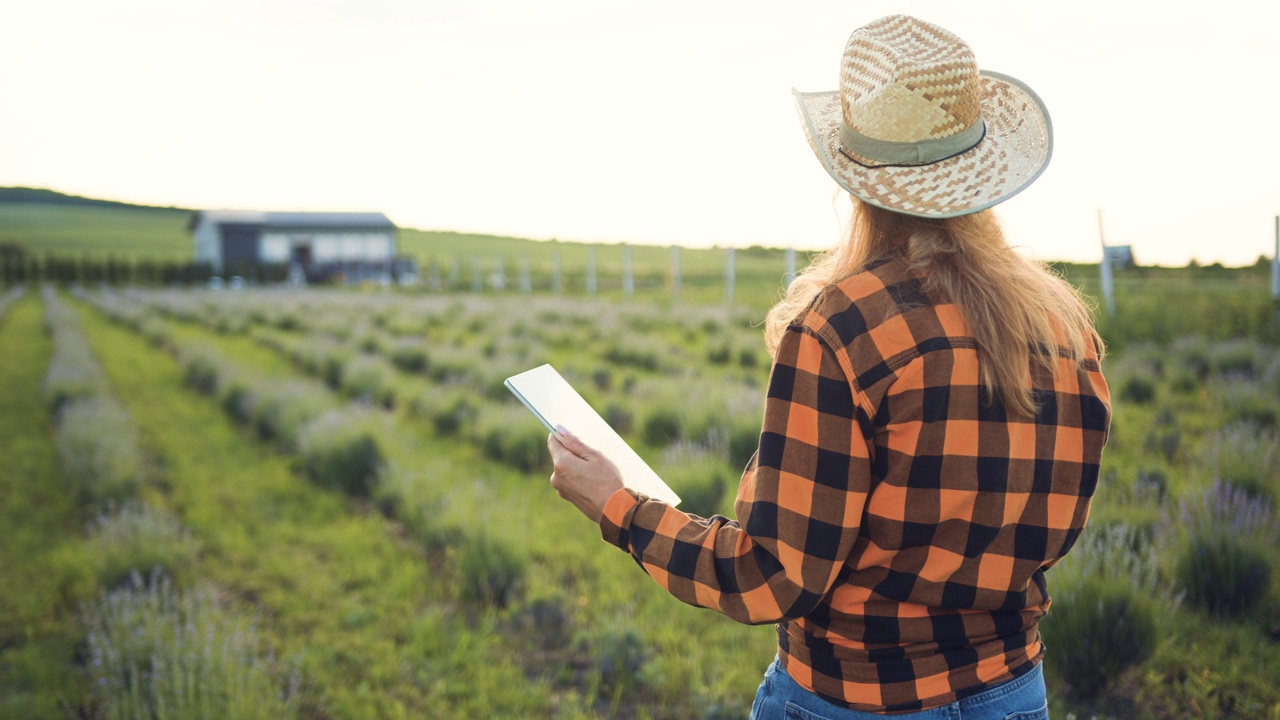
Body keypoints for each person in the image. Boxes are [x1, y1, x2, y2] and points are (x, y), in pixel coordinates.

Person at [546, 14, 1111, 720]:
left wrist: (618, 506)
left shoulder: (842, 328)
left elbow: (771, 577)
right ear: (977, 169)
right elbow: (1050, 535)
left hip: (855, 699)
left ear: (856, 182)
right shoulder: (1065, 330)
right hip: (1012, 692)